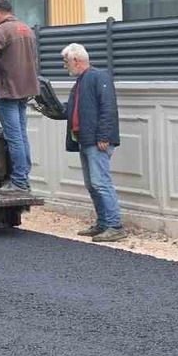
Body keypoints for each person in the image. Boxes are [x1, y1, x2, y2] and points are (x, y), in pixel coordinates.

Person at [61, 43, 125, 242]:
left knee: (100, 183)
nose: (65, 66)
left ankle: (114, 226)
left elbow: (108, 107)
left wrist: (104, 136)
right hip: (86, 140)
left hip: (96, 141)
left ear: (76, 61)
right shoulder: (83, 80)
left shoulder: (98, 77)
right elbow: (74, 110)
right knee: (93, 184)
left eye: (66, 62)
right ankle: (104, 223)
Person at [0, 0, 40, 193]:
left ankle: (19, 182)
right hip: (25, 90)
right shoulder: (26, 29)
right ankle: (24, 178)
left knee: (14, 137)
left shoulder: (1, 30)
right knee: (21, 135)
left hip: (7, 91)